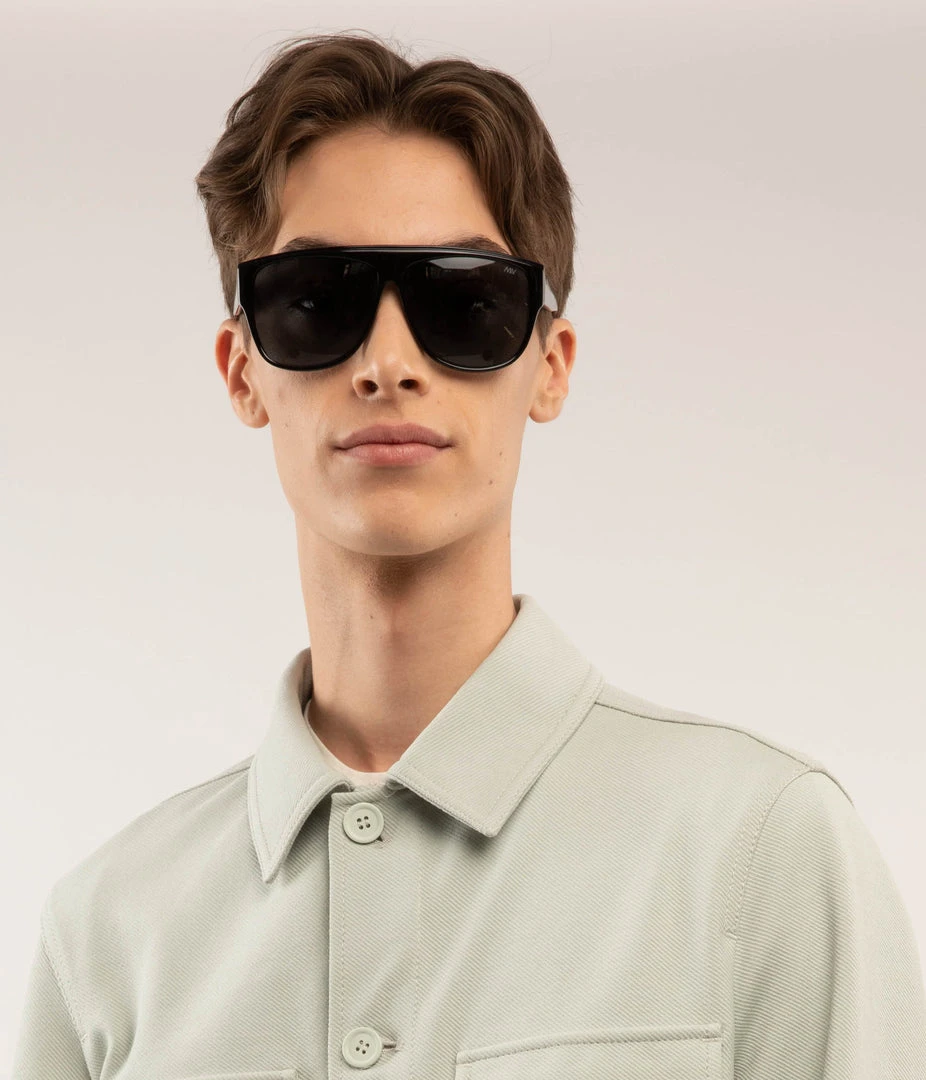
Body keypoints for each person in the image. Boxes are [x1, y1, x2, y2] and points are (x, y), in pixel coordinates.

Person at [11, 29, 926, 1080]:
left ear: (550, 365)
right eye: (314, 301)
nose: (388, 362)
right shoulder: (107, 937)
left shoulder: (760, 854)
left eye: (465, 303)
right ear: (240, 371)